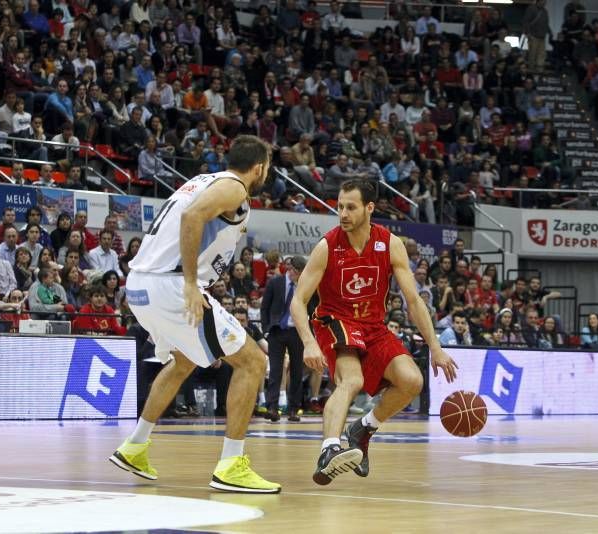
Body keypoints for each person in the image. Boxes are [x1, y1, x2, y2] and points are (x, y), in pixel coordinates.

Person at [110, 135, 280, 494]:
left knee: (183, 361)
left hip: (140, 285)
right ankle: (231, 465)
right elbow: (192, 216)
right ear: (259, 167)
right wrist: (189, 283)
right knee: (253, 363)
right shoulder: (234, 188)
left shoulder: (200, 181)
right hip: (171, 285)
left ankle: (135, 446)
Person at [291, 179, 457, 485]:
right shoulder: (327, 246)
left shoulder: (390, 244)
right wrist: (308, 342)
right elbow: (298, 301)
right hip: (336, 321)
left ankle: (364, 428)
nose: (342, 213)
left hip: (373, 327)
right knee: (351, 380)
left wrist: (435, 346)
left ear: (369, 208)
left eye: (350, 207)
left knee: (412, 381)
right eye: (339, 206)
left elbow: (413, 300)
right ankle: (329, 448)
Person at [260, 255, 308, 422]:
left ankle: (294, 409)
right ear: (290, 269)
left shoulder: (305, 285)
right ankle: (272, 407)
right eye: (298, 272)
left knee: (296, 371)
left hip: (297, 332)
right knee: (275, 370)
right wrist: (266, 329)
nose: (300, 276)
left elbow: (313, 307)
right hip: (277, 330)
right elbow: (265, 306)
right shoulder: (275, 282)